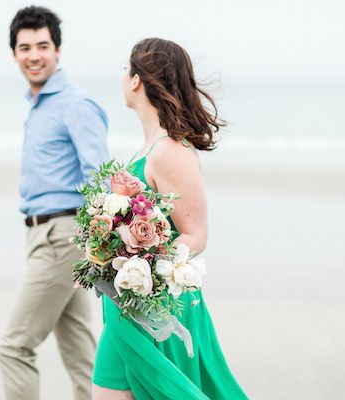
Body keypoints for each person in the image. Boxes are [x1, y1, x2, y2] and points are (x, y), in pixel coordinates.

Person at [91, 38, 248, 400]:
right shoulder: (148, 148)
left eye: (124, 71)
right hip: (127, 305)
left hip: (158, 307)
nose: (122, 78)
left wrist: (143, 269)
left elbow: (196, 234)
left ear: (135, 80)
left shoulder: (170, 150)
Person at [0, 6, 109, 400]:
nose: (34, 55)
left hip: (63, 235)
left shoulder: (75, 104)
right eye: (25, 47)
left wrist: (94, 241)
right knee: (80, 350)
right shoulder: (40, 104)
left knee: (14, 347)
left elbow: (99, 175)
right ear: (14, 53)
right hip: (43, 233)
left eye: (42, 45)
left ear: (57, 50)